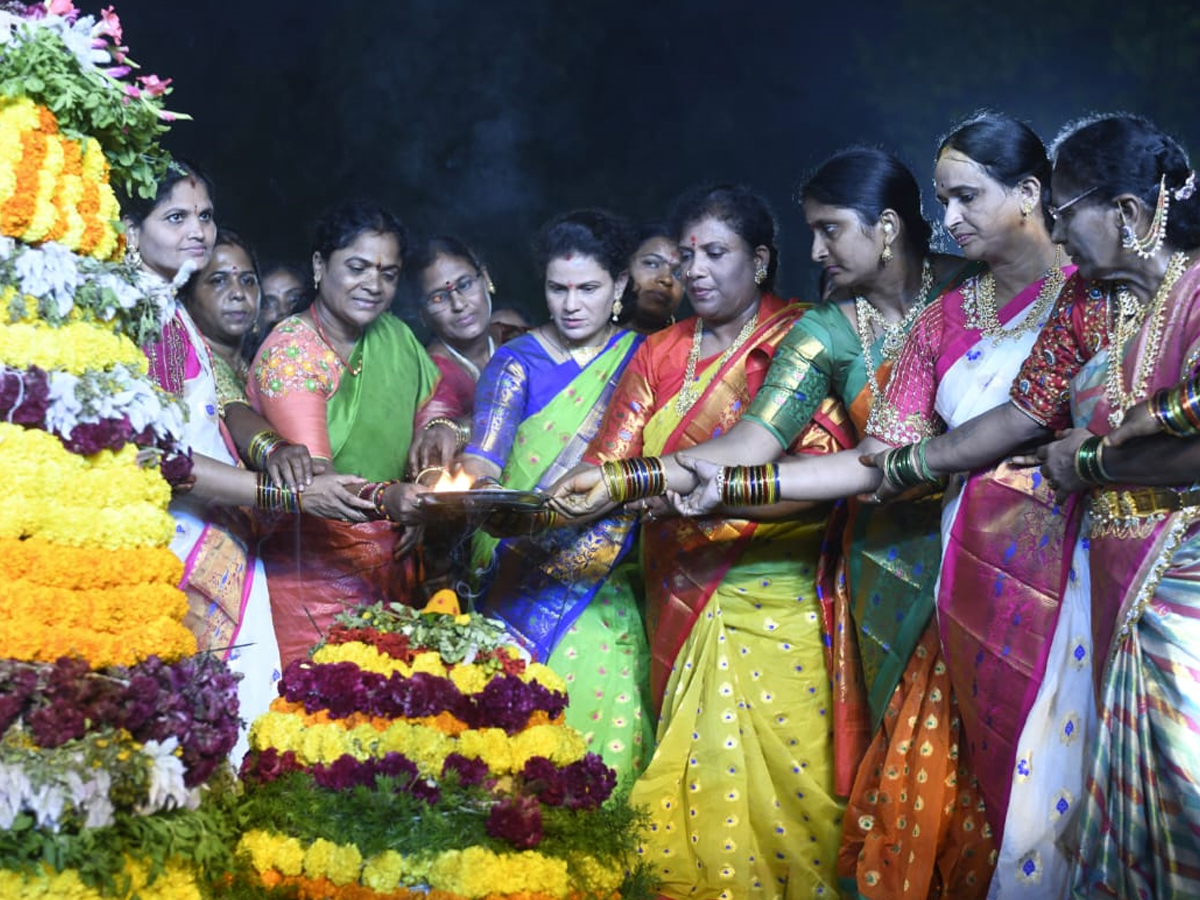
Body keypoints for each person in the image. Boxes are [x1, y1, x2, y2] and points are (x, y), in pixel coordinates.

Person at [660, 115, 1081, 897]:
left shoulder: (1087, 297)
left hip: (1070, 572)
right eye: (942, 199)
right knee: (943, 789)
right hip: (932, 571)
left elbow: (1080, 418)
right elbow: (869, 462)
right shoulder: (941, 320)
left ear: (1030, 194)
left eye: (963, 198)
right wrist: (660, 481)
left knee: (1058, 775)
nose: (946, 219)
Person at [911, 112, 1200, 900]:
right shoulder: (1094, 302)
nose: (1058, 234)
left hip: (1183, 586)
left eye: (1066, 214)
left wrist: (1097, 460)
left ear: (1131, 215)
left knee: (1185, 787)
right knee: (1130, 803)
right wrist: (912, 461)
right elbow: (1025, 415)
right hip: (1111, 583)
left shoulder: (1198, 290)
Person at [554, 184, 846, 897]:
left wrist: (698, 504)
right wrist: (538, 509)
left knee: (785, 799)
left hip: (771, 595)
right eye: (686, 256)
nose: (696, 271)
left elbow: (822, 470)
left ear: (762, 258)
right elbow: (611, 464)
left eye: (716, 253)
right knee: (694, 788)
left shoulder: (802, 337)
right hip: (677, 592)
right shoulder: (660, 351)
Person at [129, 163, 374, 761]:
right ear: (131, 230)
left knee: (235, 717)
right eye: (177, 217)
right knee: (205, 728)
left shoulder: (166, 309)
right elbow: (163, 460)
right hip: (178, 542)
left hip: (218, 530)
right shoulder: (139, 315)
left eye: (205, 215)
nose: (198, 231)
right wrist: (286, 494)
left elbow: (225, 405)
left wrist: (278, 454)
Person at [455, 209, 652, 783]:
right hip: (516, 567)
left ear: (618, 286)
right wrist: (483, 497)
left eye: (588, 288)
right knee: (510, 740)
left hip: (606, 572)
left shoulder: (645, 359)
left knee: (606, 718)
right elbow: (481, 461)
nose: (571, 304)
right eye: (558, 288)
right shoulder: (516, 362)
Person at [247, 200, 466, 667]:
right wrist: (394, 500)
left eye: (388, 273)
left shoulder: (393, 336)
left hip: (394, 566)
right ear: (319, 265)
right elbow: (315, 480)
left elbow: (435, 395)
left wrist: (437, 437)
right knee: (319, 722)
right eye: (358, 267)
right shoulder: (292, 352)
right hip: (314, 580)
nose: (374, 285)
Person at [178, 229, 261, 402]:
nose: (238, 293)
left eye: (248, 281)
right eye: (218, 281)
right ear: (187, 296)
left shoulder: (260, 364)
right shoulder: (185, 370)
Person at [615, 221, 685, 333]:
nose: (666, 280)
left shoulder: (692, 346)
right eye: (651, 264)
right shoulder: (586, 333)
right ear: (624, 268)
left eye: (678, 273)